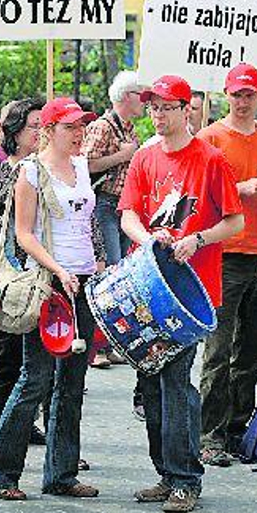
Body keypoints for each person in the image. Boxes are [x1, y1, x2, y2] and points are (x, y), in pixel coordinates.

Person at [120, 75, 244, 513]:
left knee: (175, 382)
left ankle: (186, 478)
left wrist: (199, 238)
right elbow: (128, 215)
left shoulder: (210, 159)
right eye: (152, 107)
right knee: (150, 383)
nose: (157, 114)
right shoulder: (143, 156)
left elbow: (236, 223)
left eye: (166, 107)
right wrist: (147, 237)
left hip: (191, 292)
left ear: (186, 109)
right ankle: (166, 473)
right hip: (148, 287)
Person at [0, 97, 103, 501]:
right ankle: (0, 473)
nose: (79, 132)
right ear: (48, 131)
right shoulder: (30, 172)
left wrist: (95, 265)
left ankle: (61, 472)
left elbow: (87, 224)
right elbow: (23, 234)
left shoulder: (83, 167)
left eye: (81, 125)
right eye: (70, 126)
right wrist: (58, 269)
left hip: (82, 280)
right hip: (50, 284)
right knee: (36, 378)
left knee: (72, 381)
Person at [198, 63, 257, 467]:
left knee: (255, 346)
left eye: (248, 94)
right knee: (218, 348)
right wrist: (241, 187)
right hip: (225, 252)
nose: (242, 101)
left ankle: (238, 427)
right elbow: (197, 193)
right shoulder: (210, 137)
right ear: (225, 95)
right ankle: (209, 435)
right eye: (236, 94)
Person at [0, 97, 45, 452]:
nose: (41, 132)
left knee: (50, 367)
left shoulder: (56, 173)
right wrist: (19, 216)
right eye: (34, 126)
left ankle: (40, 434)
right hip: (12, 283)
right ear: (14, 132)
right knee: (5, 364)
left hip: (49, 279)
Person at [84, 71, 145, 368]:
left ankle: (107, 342)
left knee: (117, 274)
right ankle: (96, 346)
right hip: (104, 205)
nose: (144, 100)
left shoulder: (128, 130)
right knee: (107, 274)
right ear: (125, 96)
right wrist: (123, 156)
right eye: (139, 94)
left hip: (122, 207)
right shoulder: (102, 127)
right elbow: (86, 164)